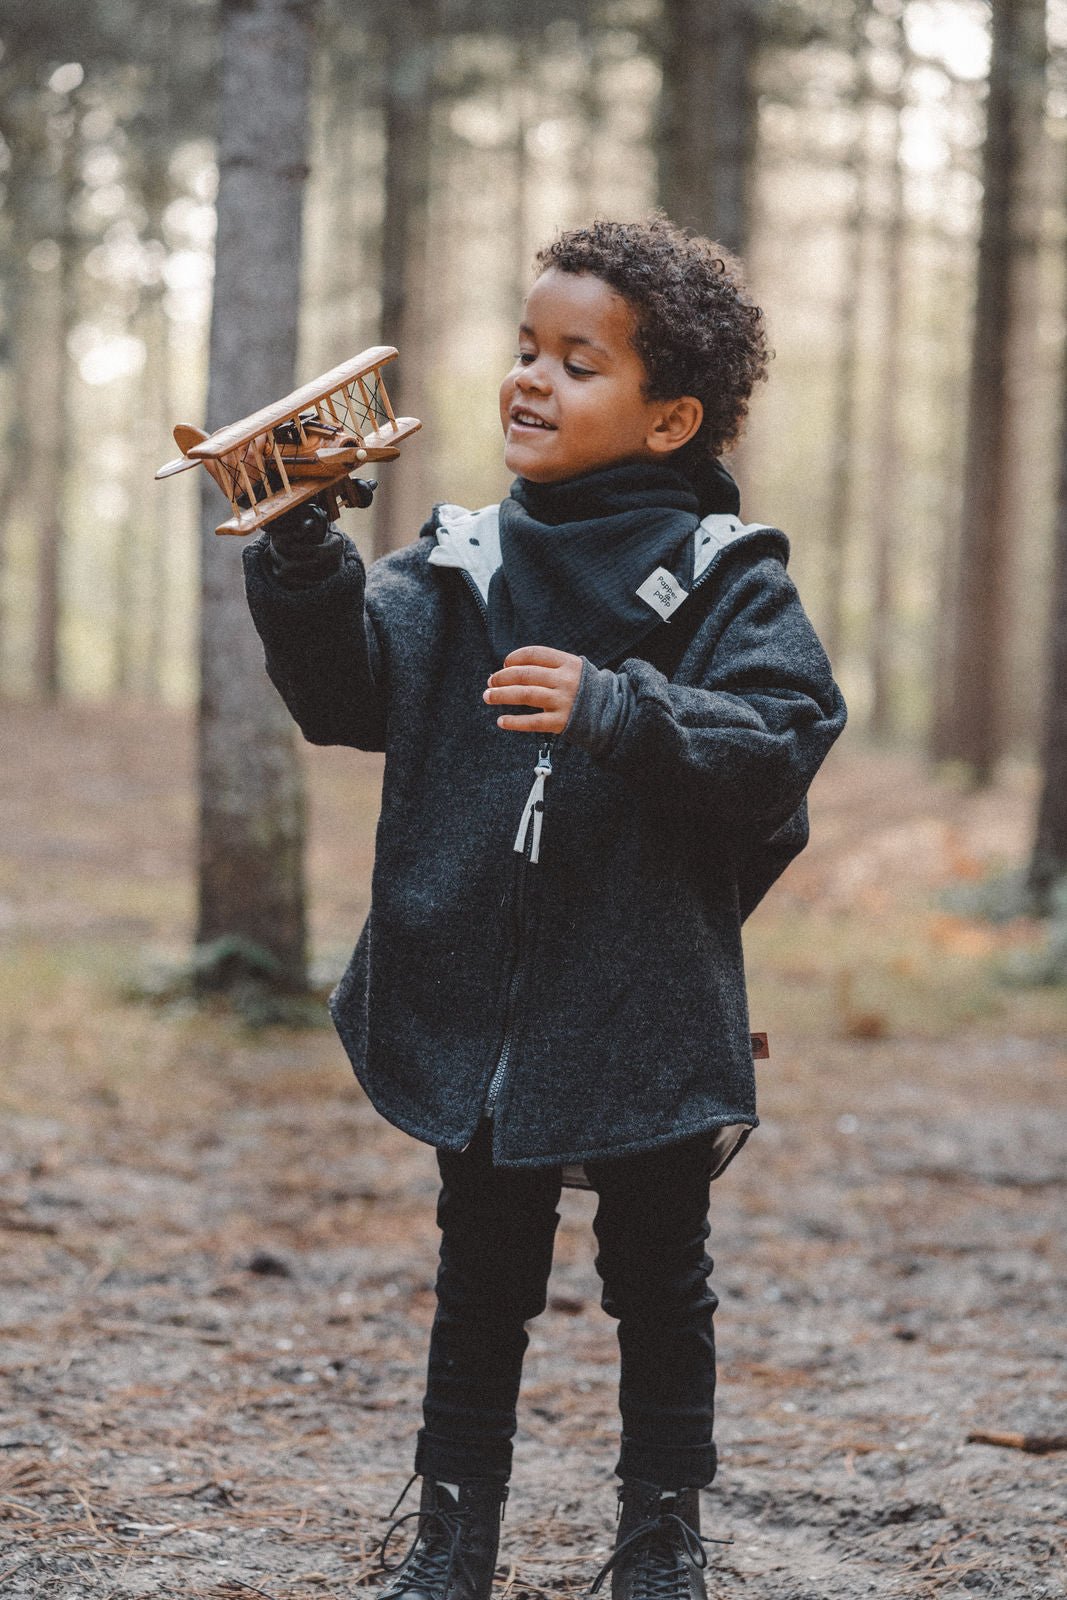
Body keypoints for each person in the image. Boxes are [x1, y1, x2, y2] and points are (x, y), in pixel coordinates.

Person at [243, 215, 847, 1600]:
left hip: (639, 1005)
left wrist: (619, 707)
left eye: (579, 362)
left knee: (661, 1279)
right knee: (483, 1279)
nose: (531, 379)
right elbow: (343, 698)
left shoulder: (725, 576)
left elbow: (783, 738)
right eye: (526, 349)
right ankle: (453, 1544)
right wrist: (297, 560)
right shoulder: (458, 564)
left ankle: (660, 1542)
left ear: (668, 415)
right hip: (475, 1004)